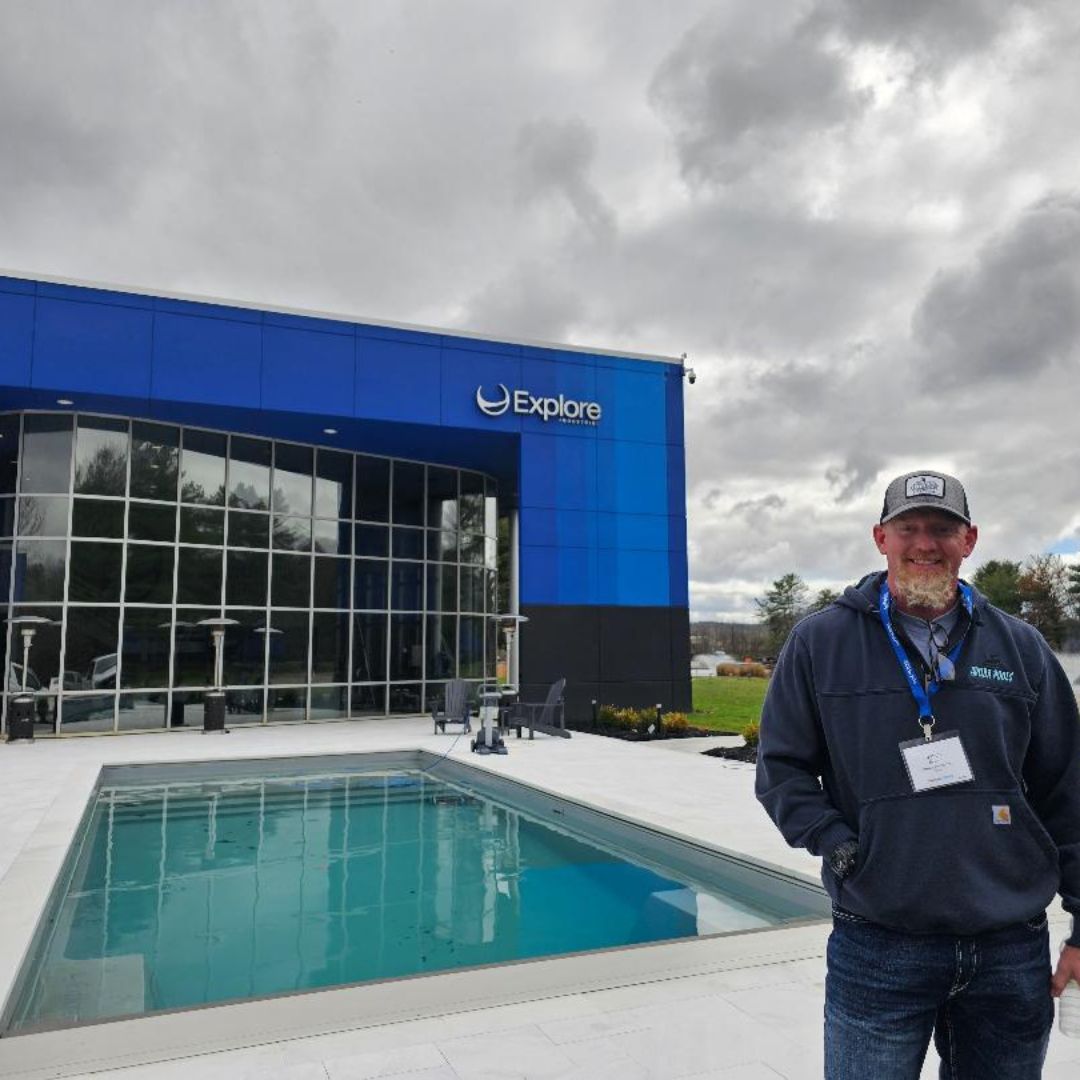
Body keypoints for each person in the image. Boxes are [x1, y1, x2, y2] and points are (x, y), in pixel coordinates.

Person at [755, 470, 1080, 1079]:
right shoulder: (819, 643)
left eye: (943, 529)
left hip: (1009, 948)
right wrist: (840, 845)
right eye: (909, 528)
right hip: (879, 943)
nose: (925, 543)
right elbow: (781, 770)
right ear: (881, 538)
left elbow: (1069, 790)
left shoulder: (1022, 649)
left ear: (970, 540)